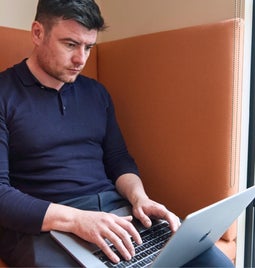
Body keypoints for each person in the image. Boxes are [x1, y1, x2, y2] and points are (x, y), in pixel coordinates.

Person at [0, 0, 234, 267]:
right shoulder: (4, 94)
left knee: (212, 262)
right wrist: (78, 220)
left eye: (89, 47)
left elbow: (118, 159)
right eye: (70, 44)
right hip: (46, 226)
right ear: (38, 33)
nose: (81, 59)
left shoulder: (96, 93)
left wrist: (139, 199)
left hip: (115, 213)